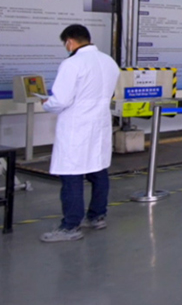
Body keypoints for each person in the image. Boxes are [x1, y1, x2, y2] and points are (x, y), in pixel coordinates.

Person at [40, 24, 120, 242]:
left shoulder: (72, 64)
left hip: (77, 127)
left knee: (71, 174)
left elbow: (61, 100)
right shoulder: (109, 62)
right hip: (100, 124)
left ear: (69, 42)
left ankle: (70, 226)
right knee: (98, 170)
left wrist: (47, 103)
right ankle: (97, 216)